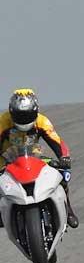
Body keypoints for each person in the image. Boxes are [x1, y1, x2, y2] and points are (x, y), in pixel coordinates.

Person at [0, 89, 79, 228]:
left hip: (33, 157)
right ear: (11, 112)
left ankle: (68, 210)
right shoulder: (3, 121)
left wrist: (64, 157)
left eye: (27, 115)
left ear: (35, 111)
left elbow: (57, 141)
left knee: (59, 173)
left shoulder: (42, 121)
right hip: (6, 159)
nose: (24, 120)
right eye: (19, 116)